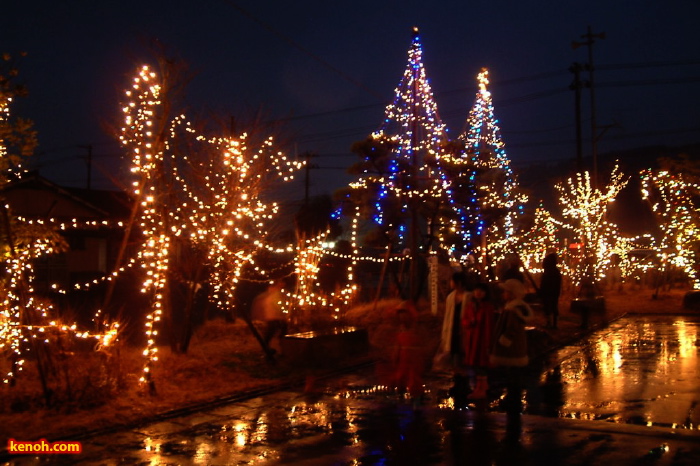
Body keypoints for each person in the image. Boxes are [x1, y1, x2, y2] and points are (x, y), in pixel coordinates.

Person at [490, 278, 535, 439]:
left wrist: (503, 341)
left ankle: (513, 398)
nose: (503, 294)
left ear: (512, 294)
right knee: (514, 373)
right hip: (517, 346)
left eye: (505, 291)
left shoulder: (511, 309)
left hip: (511, 347)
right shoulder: (516, 307)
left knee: (512, 373)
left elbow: (511, 328)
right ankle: (514, 395)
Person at [434, 272, 471, 402]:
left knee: (463, 356)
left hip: (464, 331)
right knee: (455, 357)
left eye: (452, 281)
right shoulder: (450, 297)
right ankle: (458, 383)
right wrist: (444, 334)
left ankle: (464, 385)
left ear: (459, 282)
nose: (451, 283)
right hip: (453, 330)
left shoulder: (469, 297)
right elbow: (448, 316)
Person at [461, 282, 495, 399]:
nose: (478, 293)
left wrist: (488, 344)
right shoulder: (470, 305)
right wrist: (469, 323)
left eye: (481, 291)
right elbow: (464, 320)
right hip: (472, 339)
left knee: (481, 364)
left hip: (481, 340)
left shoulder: (488, 307)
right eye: (476, 290)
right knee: (474, 364)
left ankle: (481, 389)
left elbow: (489, 327)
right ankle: (480, 387)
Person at [392, 305, 424, 404]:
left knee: (412, 379)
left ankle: (416, 399)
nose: (402, 318)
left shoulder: (413, 329)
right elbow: (398, 344)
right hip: (404, 357)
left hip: (412, 357)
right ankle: (403, 397)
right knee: (401, 377)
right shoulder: (401, 330)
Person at [252, 279, 288, 354]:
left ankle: (268, 347)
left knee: (272, 332)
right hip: (275, 316)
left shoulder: (271, 293)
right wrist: (284, 312)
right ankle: (271, 347)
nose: (283, 285)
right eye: (282, 283)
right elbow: (277, 305)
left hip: (273, 316)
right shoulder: (275, 293)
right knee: (275, 332)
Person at [539, 252, 562, 329]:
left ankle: (551, 323)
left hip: (549, 292)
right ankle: (553, 323)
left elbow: (546, 283)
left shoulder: (550, 272)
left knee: (549, 307)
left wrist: (543, 291)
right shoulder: (554, 271)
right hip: (553, 292)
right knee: (552, 307)